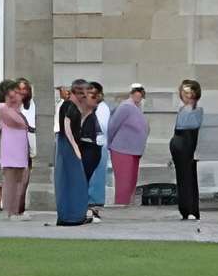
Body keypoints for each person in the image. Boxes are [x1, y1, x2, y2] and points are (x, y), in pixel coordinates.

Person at [105, 85, 150, 213]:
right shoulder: (125, 107)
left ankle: (127, 208)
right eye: (136, 93)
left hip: (135, 151)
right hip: (122, 149)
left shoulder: (137, 108)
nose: (139, 96)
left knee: (131, 182)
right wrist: (110, 143)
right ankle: (120, 209)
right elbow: (113, 125)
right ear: (131, 93)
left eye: (141, 93)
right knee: (124, 183)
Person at [0, 78, 34, 217]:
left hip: (19, 149)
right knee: (13, 180)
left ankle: (15, 210)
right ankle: (12, 211)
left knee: (19, 180)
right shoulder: (5, 109)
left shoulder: (15, 109)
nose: (18, 96)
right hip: (12, 150)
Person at [52, 84, 90, 226]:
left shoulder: (67, 105)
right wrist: (75, 148)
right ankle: (73, 216)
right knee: (74, 181)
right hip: (68, 144)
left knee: (67, 180)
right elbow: (67, 127)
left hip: (66, 143)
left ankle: (69, 215)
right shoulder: (70, 106)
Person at [168, 80, 205, 223]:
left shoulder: (195, 110)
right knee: (183, 178)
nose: (186, 95)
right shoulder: (184, 109)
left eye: (189, 92)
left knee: (188, 178)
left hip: (187, 144)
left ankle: (190, 209)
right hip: (180, 145)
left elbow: (192, 130)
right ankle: (186, 209)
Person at [77, 81, 108, 221]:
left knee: (96, 178)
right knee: (88, 178)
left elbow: (104, 128)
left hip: (98, 146)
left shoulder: (102, 109)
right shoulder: (86, 110)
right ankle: (87, 207)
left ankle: (93, 207)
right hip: (89, 146)